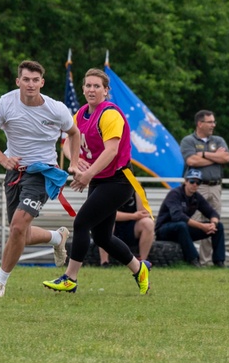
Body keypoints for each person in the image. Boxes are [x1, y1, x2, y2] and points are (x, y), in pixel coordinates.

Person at [42, 68, 152, 295]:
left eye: (96, 86)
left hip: (119, 181)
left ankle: (70, 279)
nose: (91, 90)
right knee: (102, 236)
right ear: (82, 88)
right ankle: (138, 268)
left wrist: (88, 173)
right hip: (99, 179)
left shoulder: (110, 114)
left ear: (106, 91)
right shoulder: (80, 114)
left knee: (81, 223)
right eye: (88, 85)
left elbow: (111, 151)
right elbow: (67, 143)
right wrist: (75, 163)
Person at [0, 60, 82, 298]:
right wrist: (4, 160)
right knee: (20, 234)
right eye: (26, 79)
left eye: (35, 80)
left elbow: (74, 133)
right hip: (15, 172)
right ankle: (57, 237)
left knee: (17, 227)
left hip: (42, 172)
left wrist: (74, 164)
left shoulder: (56, 108)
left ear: (42, 83)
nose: (31, 84)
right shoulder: (5, 103)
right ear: (18, 82)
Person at [179, 110, 229, 266]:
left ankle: (206, 261)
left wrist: (202, 154)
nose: (213, 125)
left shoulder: (218, 140)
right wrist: (214, 157)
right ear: (200, 123)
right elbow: (192, 161)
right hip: (196, 187)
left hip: (215, 186)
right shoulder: (188, 140)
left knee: (212, 223)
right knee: (193, 222)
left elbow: (226, 158)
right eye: (210, 122)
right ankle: (191, 259)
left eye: (214, 122)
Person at [154, 168, 226, 267]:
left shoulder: (196, 197)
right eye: (192, 181)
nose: (195, 185)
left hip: (183, 230)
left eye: (198, 182)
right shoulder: (175, 194)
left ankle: (219, 261)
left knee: (219, 227)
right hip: (164, 230)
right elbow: (178, 216)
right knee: (181, 225)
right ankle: (193, 259)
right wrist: (201, 226)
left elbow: (212, 212)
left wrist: (213, 224)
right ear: (186, 181)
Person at [98, 191, 154, 267]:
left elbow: (144, 213)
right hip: (113, 227)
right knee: (106, 222)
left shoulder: (136, 188)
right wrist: (133, 216)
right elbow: (107, 213)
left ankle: (142, 262)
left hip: (131, 228)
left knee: (148, 223)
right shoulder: (108, 187)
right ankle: (104, 262)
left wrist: (138, 192)